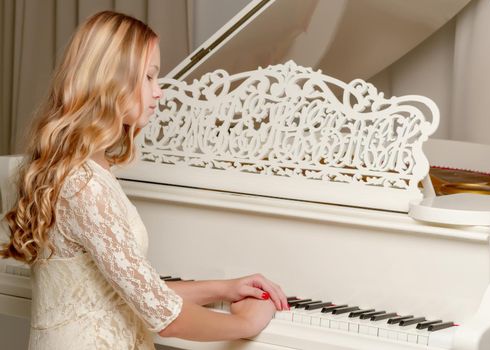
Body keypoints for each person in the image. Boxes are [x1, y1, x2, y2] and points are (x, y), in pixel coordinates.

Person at [1, 11, 288, 349]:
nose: (159, 92)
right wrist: (245, 321)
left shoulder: (79, 168)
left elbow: (125, 291)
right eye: (150, 77)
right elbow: (165, 317)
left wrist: (223, 288)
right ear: (112, 81)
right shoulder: (84, 186)